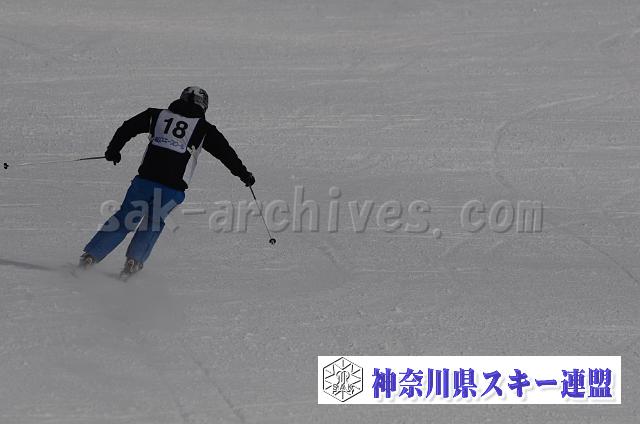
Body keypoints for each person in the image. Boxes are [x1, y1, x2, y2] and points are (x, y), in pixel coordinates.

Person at [80, 86, 255, 279]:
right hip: (172, 189)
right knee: (153, 222)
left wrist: (113, 150)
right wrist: (244, 175)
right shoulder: (204, 129)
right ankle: (134, 262)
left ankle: (90, 257)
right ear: (204, 106)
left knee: (125, 218)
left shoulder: (156, 115)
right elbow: (226, 154)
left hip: (144, 181)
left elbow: (127, 127)